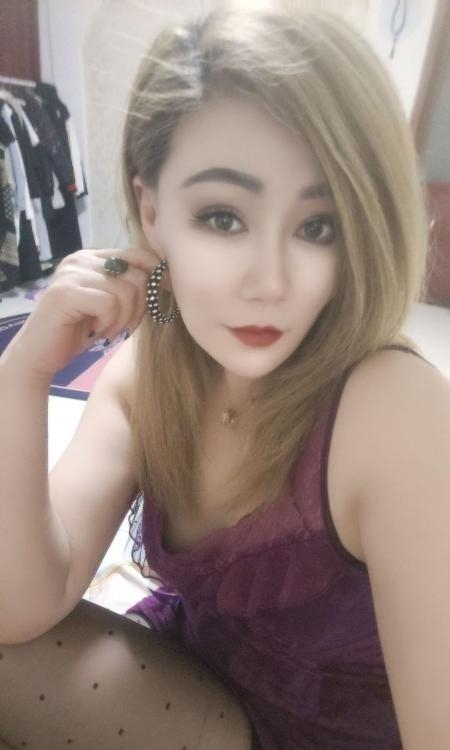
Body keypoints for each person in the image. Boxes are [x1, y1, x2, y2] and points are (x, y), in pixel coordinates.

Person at [0, 4, 449, 750]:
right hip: (201, 693)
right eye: (222, 217)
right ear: (151, 211)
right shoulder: (150, 370)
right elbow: (20, 605)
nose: (269, 282)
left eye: (317, 226)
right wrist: (22, 373)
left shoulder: (392, 411)